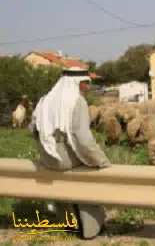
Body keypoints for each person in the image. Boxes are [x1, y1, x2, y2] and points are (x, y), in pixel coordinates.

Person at [28, 67, 111, 239]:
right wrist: (101, 160)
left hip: (48, 158)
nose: (89, 85)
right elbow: (82, 138)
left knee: (61, 183)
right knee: (90, 176)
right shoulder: (77, 101)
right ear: (78, 83)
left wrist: (47, 146)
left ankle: (67, 222)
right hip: (65, 159)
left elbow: (32, 128)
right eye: (87, 82)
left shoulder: (45, 99)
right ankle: (90, 228)